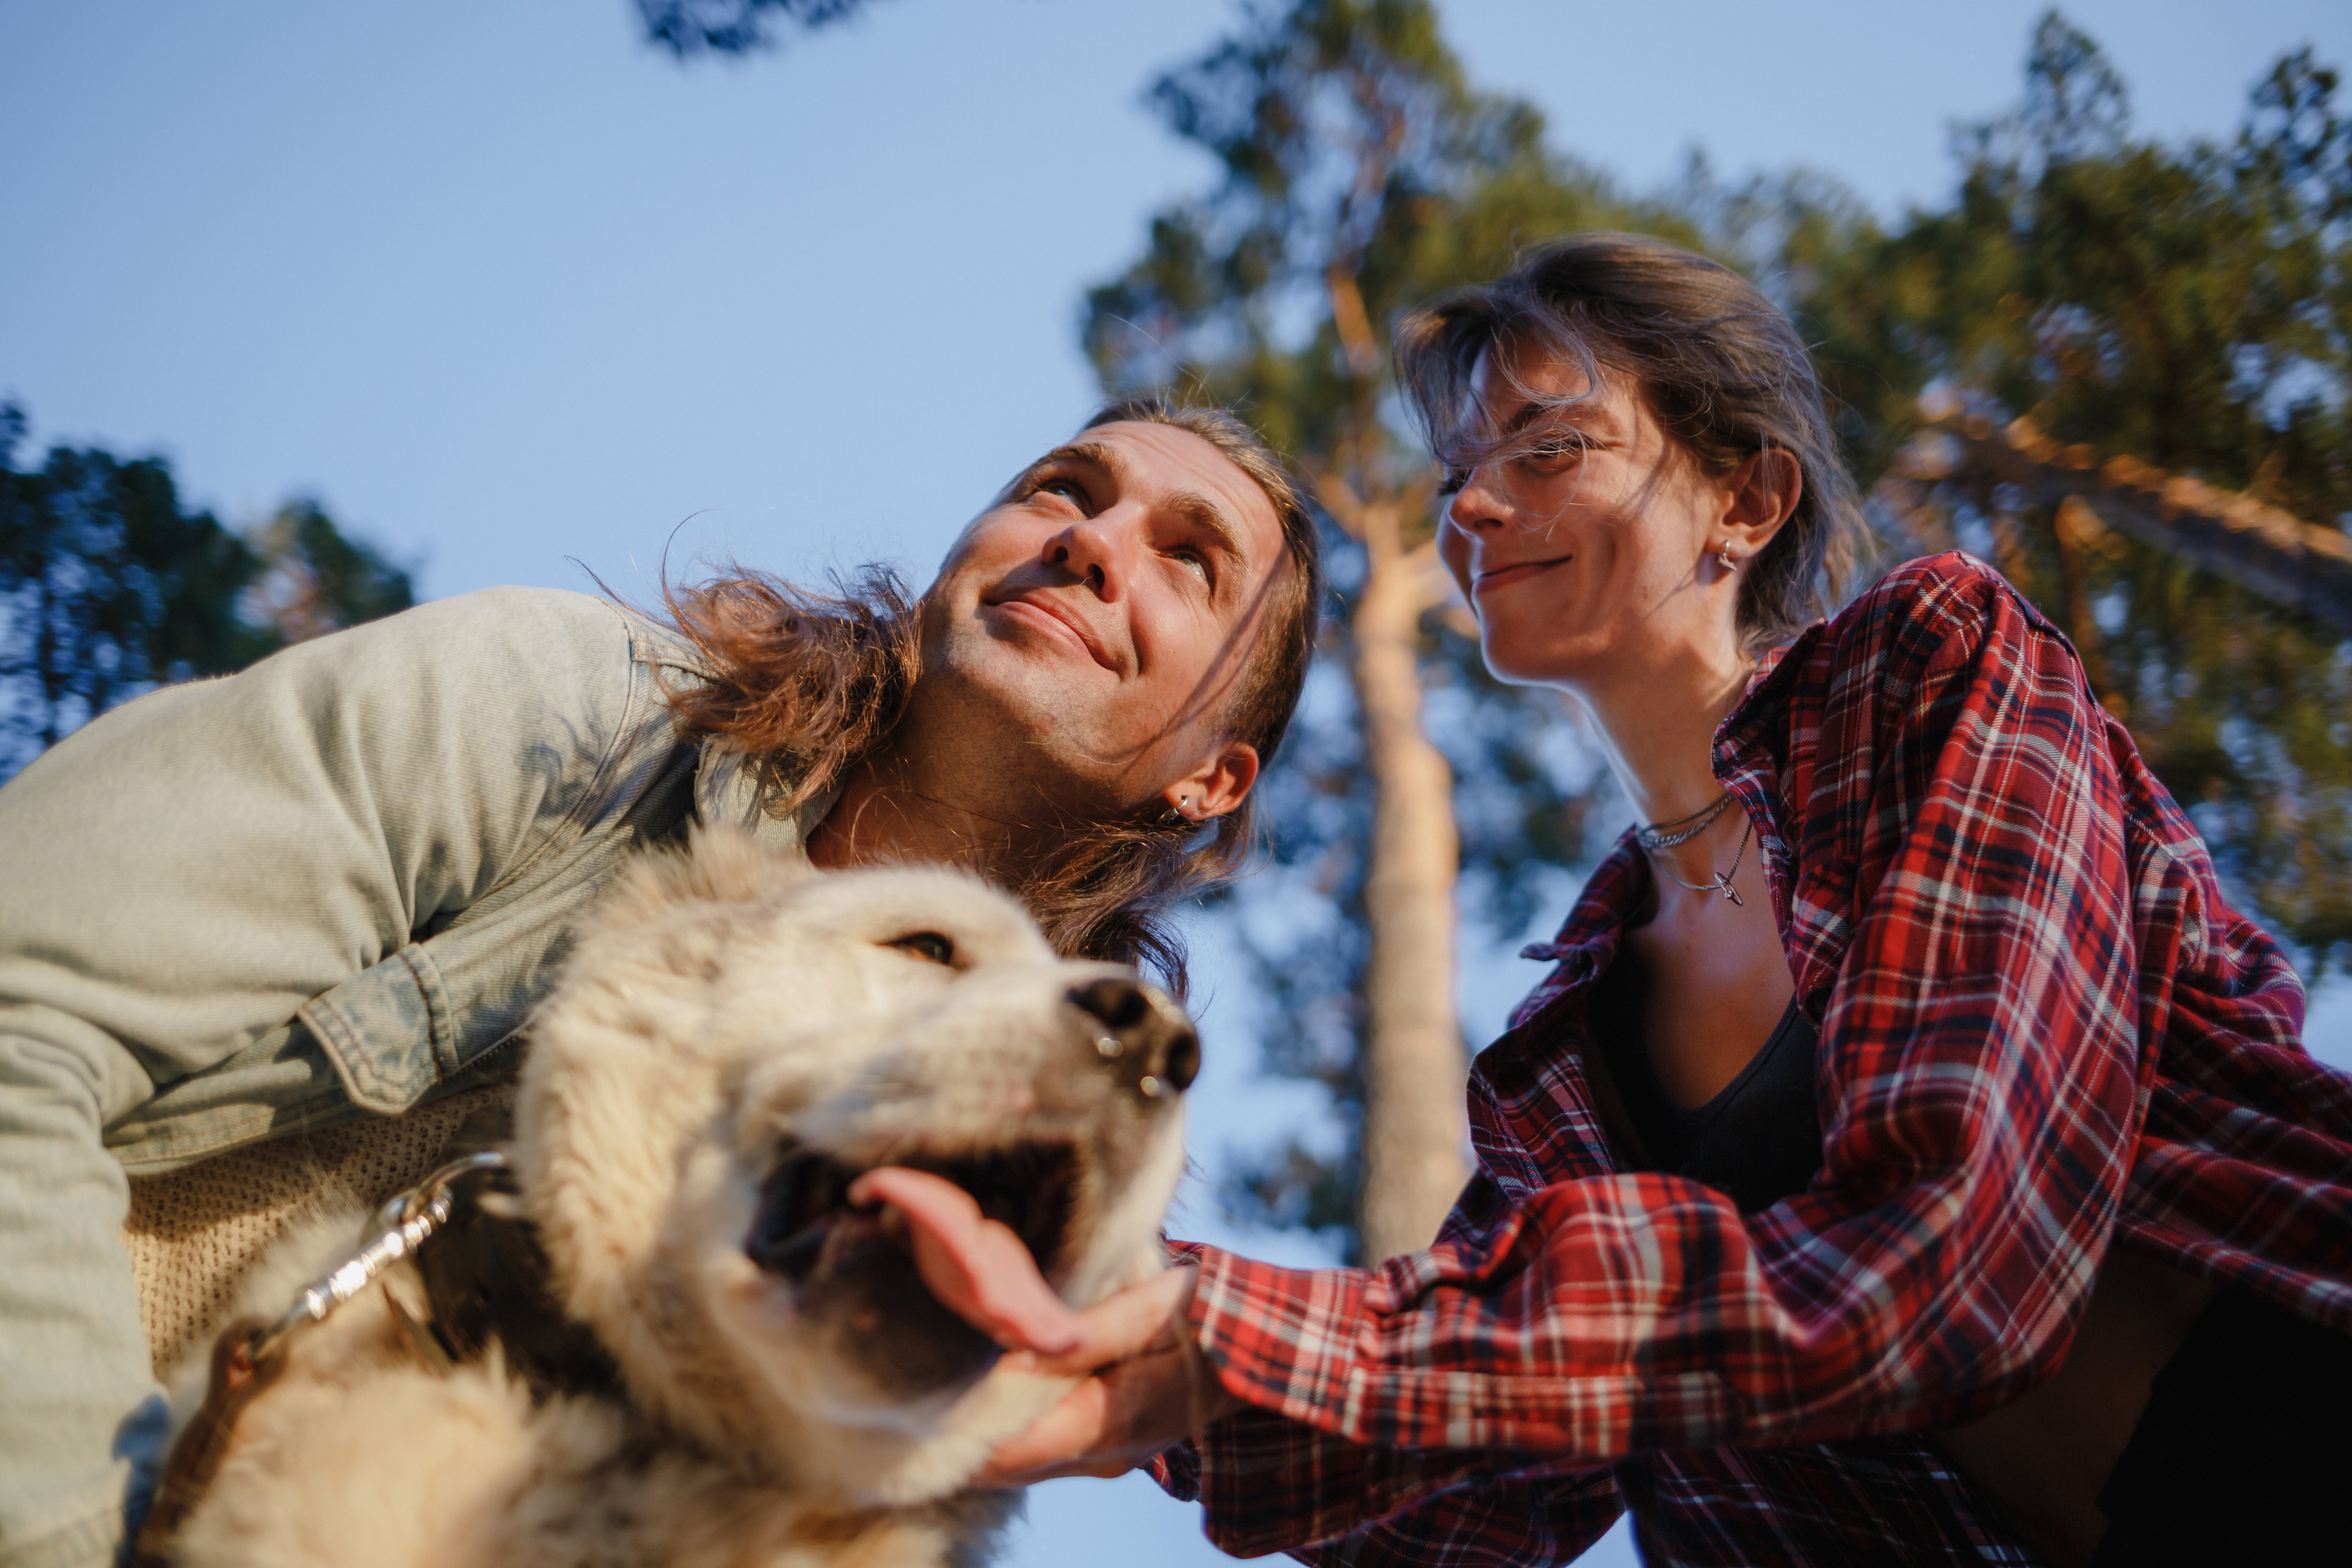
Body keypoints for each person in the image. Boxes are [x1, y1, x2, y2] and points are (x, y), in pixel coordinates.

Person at [888, 234, 2352, 1566]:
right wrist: (1049, 1278)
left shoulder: (1934, 675)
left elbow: (1954, 1246)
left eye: (1548, 447)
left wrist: (1228, 1337)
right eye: (1461, 466)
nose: (1472, 502)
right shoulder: (1565, 1045)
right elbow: (1466, 1492)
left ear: (1746, 496)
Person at [0, 397, 1322, 1568]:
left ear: (1212, 781)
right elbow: (21, 1005)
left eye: (1187, 559)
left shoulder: (1070, 1193)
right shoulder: (568, 717)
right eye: (1060, 490)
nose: (1090, 542)